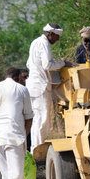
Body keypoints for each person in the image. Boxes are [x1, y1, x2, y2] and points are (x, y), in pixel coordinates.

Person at [26, 23, 74, 153]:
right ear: (50, 34)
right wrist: (64, 63)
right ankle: (37, 150)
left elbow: (29, 63)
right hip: (40, 87)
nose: (57, 39)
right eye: (56, 36)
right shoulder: (44, 43)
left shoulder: (35, 42)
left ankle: (35, 149)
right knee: (42, 119)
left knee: (38, 119)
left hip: (35, 86)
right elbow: (47, 65)